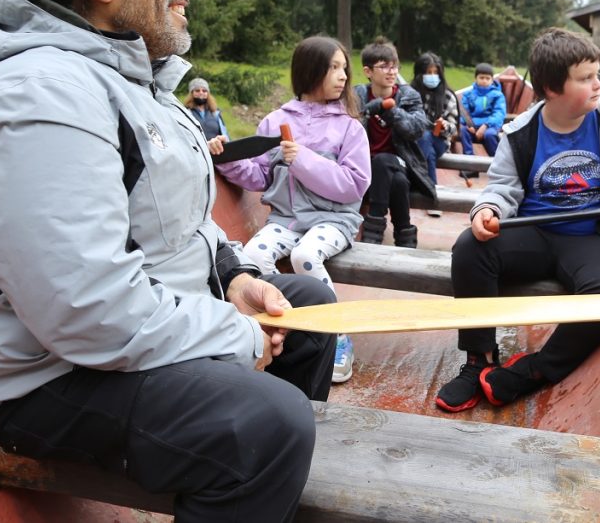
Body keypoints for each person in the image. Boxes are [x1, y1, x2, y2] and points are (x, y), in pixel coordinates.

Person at [0, 0, 335, 522]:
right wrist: (232, 334)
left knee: (305, 314)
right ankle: (248, 470)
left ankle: (255, 495)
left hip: (104, 338)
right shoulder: (39, 93)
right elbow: (84, 306)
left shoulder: (131, 81)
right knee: (263, 426)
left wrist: (234, 281)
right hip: (38, 376)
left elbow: (176, 228)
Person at [435, 28, 600, 413]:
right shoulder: (520, 134)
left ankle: (531, 371)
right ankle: (478, 361)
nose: (598, 84)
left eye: (597, 74)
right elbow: (500, 189)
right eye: (585, 78)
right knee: (470, 247)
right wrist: (488, 211)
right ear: (551, 88)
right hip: (533, 233)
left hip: (593, 239)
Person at [216, 35, 370, 384]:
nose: (343, 76)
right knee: (252, 255)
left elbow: (354, 185)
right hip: (287, 219)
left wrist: (304, 160)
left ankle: (337, 332)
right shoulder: (275, 122)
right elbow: (258, 177)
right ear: (309, 70)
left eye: (344, 68)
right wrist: (224, 159)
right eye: (333, 68)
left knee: (305, 257)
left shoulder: (349, 127)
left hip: (334, 219)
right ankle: (282, 329)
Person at [353, 37, 436, 247]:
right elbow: (346, 128)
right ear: (368, 71)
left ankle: (373, 231)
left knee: (384, 160)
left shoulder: (409, 96)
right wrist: (368, 110)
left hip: (403, 164)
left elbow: (416, 130)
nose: (392, 72)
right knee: (397, 182)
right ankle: (404, 236)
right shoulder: (356, 95)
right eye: (384, 67)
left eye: (394, 67)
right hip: (365, 169)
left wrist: (390, 111)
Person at [410, 51, 460, 186]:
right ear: (420, 74)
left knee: (426, 136)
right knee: (429, 154)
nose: (432, 76)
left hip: (440, 141)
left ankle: (413, 174)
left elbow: (454, 128)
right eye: (428, 73)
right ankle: (432, 191)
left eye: (435, 73)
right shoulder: (410, 94)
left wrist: (445, 125)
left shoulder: (448, 96)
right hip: (413, 141)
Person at [458, 62, 506, 159]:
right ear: (476, 78)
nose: (484, 81)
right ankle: (468, 162)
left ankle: (496, 162)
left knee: (490, 135)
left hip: (489, 126)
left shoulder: (498, 95)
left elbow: (499, 114)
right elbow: (463, 112)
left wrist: (485, 126)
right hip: (472, 125)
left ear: (492, 80)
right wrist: (469, 125)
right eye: (481, 77)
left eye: (487, 78)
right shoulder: (468, 94)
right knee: (463, 131)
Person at [185, 77, 229, 142]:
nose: (201, 93)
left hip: (217, 150)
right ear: (191, 93)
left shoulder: (215, 113)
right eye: (197, 90)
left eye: (204, 91)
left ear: (208, 94)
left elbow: (225, 135)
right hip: (197, 151)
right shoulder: (186, 113)